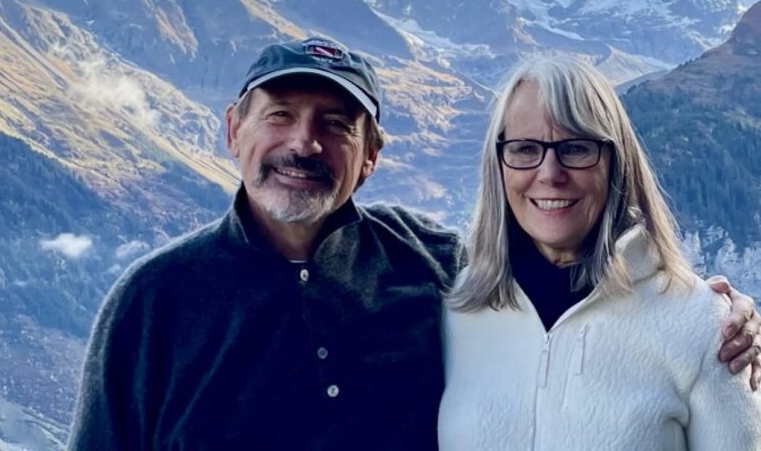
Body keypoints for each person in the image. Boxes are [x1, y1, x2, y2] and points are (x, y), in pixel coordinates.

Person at [68, 37, 759, 451]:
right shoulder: (153, 304)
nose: (304, 143)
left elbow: (564, 274)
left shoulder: (435, 269)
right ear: (233, 131)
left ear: (370, 155)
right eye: (279, 115)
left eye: (336, 124)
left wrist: (715, 313)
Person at [439, 55, 761, 449]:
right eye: (525, 149)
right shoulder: (457, 309)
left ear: (617, 163)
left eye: (576, 148)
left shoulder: (702, 324)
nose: (550, 174)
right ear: (499, 165)